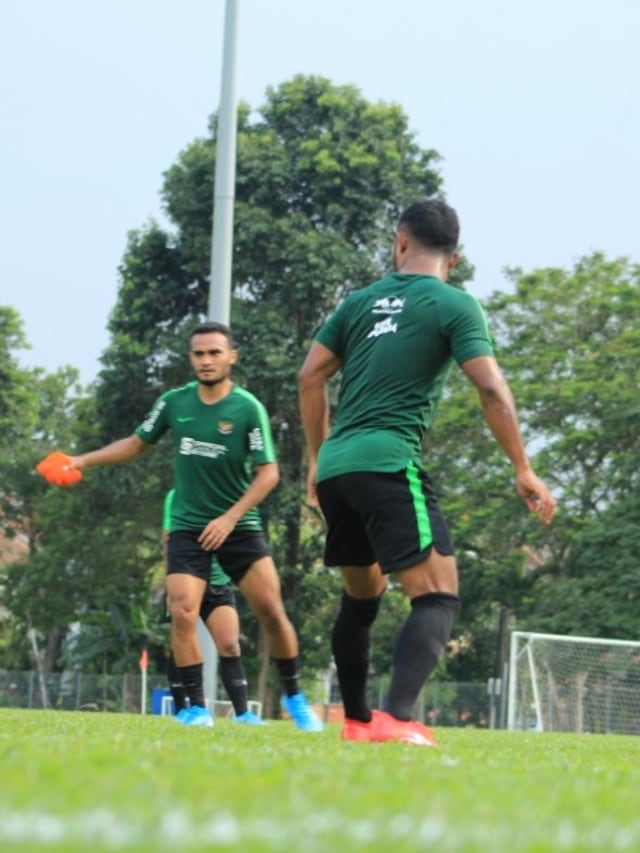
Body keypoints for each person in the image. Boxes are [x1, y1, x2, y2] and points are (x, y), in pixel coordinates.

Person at [298, 199, 557, 746]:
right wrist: (522, 466)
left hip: (339, 469)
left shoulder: (359, 302)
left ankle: (357, 723)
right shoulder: (454, 304)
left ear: (400, 242)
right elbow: (489, 388)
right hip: (388, 462)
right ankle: (397, 717)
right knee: (439, 595)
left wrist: (318, 460)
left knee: (361, 598)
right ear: (454, 259)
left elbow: (310, 376)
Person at [54, 321, 323, 731]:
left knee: (271, 611)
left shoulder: (247, 408)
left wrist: (229, 518)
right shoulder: (174, 403)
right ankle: (196, 709)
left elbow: (268, 474)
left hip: (239, 525)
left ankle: (295, 697)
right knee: (181, 611)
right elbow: (135, 443)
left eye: (215, 352)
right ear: (191, 359)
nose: (206, 360)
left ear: (231, 356)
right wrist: (82, 460)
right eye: (198, 354)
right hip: (187, 526)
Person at [161, 488, 265, 725]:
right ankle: (186, 709)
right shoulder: (177, 496)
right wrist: (171, 584)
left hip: (219, 583)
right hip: (186, 580)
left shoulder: (229, 495)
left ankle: (243, 714)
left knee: (229, 644)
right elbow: (168, 541)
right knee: (182, 641)